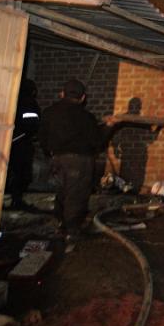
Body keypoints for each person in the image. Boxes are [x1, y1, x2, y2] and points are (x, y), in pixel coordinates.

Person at [38, 79, 115, 241]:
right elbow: (97, 141)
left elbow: (42, 137)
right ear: (83, 97)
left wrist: (49, 154)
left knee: (62, 192)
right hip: (79, 162)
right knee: (76, 195)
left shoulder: (49, 113)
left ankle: (59, 225)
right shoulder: (86, 118)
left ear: (62, 94)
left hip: (56, 158)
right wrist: (108, 127)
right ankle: (72, 230)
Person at [6, 79, 41, 210]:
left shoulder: (11, 100)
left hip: (9, 142)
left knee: (11, 172)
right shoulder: (28, 103)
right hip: (21, 143)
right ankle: (17, 200)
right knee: (21, 172)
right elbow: (32, 124)